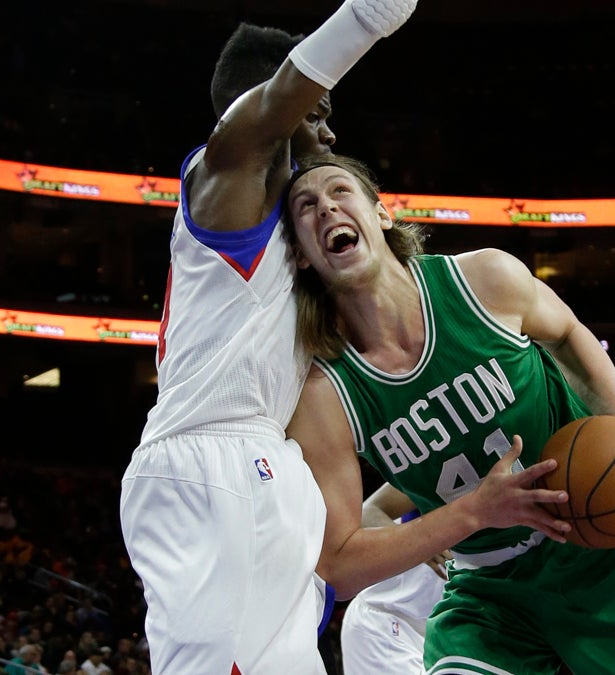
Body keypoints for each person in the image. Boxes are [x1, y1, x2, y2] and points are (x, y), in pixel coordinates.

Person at [283, 153, 615, 674]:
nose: (325, 208)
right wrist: (474, 513)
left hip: (606, 553)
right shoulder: (323, 393)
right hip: (491, 589)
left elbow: (570, 334)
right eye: (306, 206)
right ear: (301, 256)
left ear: (382, 214)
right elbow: (340, 565)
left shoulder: (485, 280)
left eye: (339, 192)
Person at [117, 0, 417, 673]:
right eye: (318, 114)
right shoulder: (227, 177)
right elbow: (275, 101)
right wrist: (371, 15)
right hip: (212, 460)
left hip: (262, 463)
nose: (331, 135)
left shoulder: (296, 251)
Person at [339, 483, 448, 675]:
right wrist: (419, 542)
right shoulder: (443, 463)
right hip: (387, 623)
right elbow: (367, 512)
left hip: (442, 639)